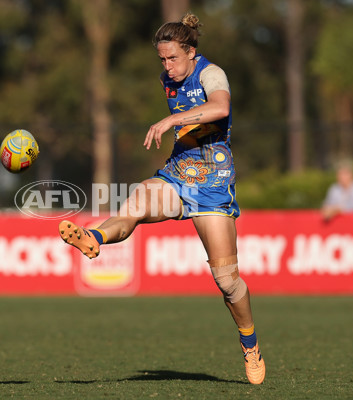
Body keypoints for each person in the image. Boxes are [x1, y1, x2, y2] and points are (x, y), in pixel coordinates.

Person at [59, 13, 265, 384]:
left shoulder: (211, 73)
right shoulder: (167, 79)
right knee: (135, 204)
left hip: (214, 183)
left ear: (191, 51)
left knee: (227, 281)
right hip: (177, 173)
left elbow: (220, 108)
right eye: (162, 60)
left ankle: (250, 344)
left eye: (173, 58)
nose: (167, 67)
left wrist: (172, 121)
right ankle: (95, 238)